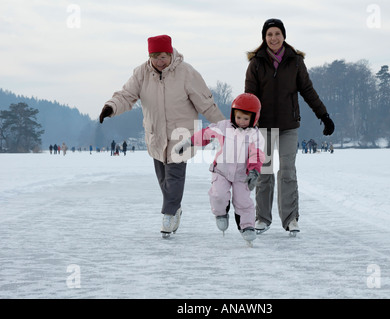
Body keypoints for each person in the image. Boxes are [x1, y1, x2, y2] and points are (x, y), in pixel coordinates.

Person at [99, 34, 225, 238]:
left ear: (171, 53)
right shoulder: (142, 73)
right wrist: (111, 107)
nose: (160, 61)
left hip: (181, 135)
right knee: (164, 179)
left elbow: (205, 102)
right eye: (155, 57)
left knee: (174, 176)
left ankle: (169, 213)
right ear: (150, 56)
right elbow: (126, 95)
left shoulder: (186, 72)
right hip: (155, 135)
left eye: (163, 56)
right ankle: (174, 207)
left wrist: (222, 125)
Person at [245, 18, 335, 235]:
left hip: (288, 125)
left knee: (288, 171)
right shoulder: (256, 63)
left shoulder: (295, 61)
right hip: (263, 126)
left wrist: (323, 115)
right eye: (269, 35)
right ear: (264, 38)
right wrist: (246, 123)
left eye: (277, 34)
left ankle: (290, 218)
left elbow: (308, 91)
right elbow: (249, 96)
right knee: (264, 172)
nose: (273, 38)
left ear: (283, 35)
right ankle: (262, 218)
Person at [175, 93, 265, 245]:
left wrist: (254, 171)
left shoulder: (255, 136)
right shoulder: (224, 127)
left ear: (254, 118)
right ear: (233, 114)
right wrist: (188, 142)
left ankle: (247, 226)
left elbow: (256, 155)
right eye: (238, 117)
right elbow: (205, 134)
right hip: (221, 172)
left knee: (244, 201)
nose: (241, 122)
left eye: (246, 118)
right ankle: (221, 213)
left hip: (242, 175)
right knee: (218, 196)